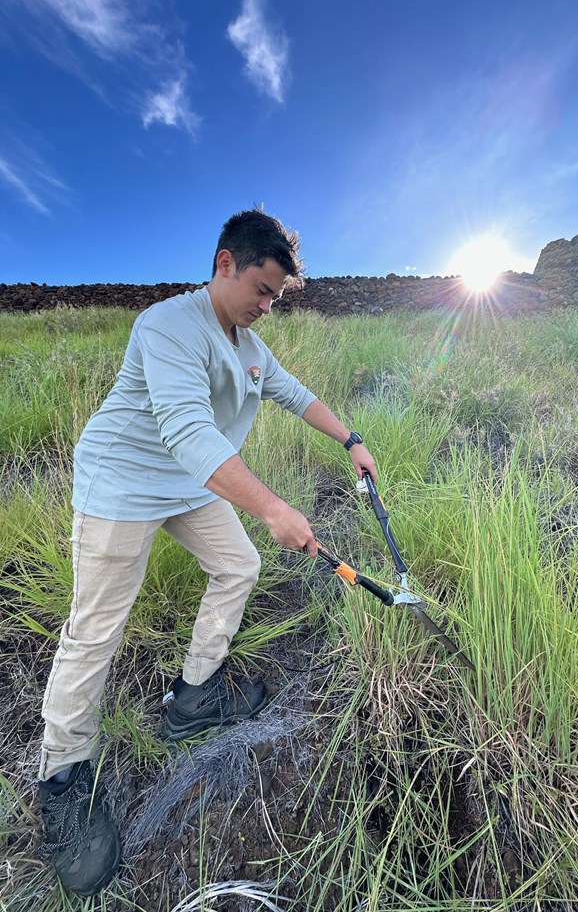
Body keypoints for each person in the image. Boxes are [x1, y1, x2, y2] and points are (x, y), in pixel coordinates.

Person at [37, 208, 377, 897]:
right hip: (121, 484)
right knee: (96, 628)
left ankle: (192, 698)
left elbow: (294, 393)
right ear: (225, 263)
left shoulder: (248, 342)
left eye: (276, 296)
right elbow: (190, 433)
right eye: (261, 288)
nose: (266, 304)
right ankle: (62, 777)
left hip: (186, 483)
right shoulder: (166, 324)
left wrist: (351, 440)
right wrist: (275, 508)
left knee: (239, 563)